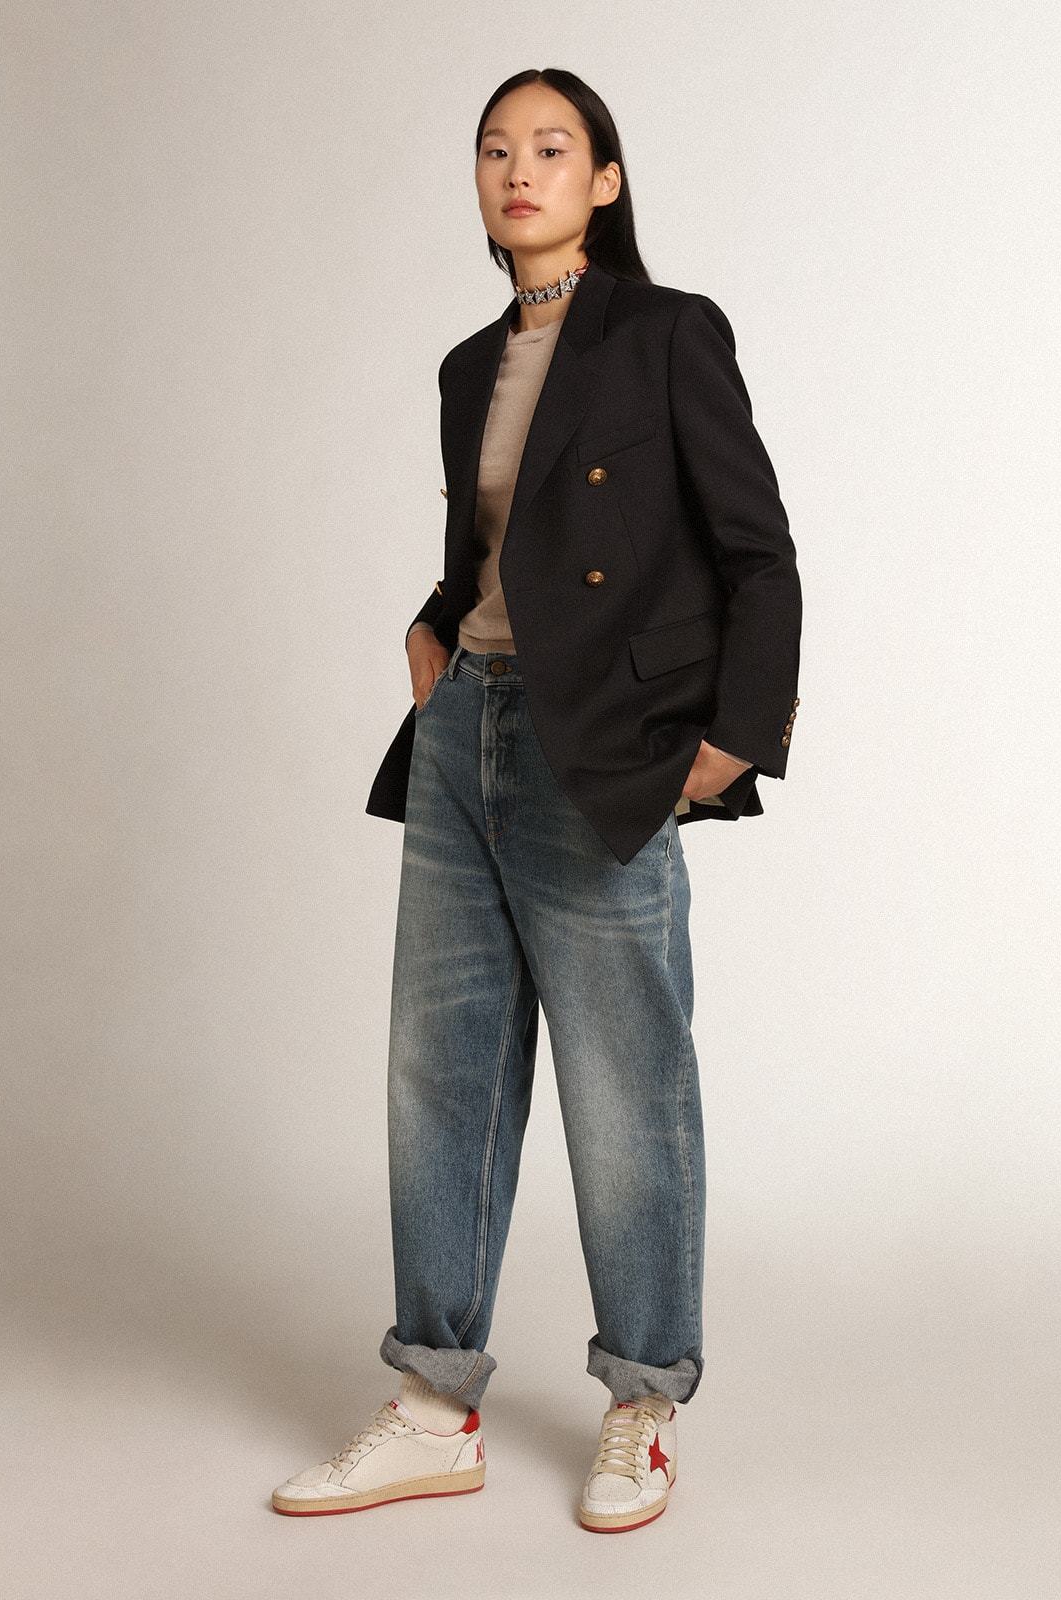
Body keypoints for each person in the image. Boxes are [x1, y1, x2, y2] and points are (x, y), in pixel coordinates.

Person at [272, 66, 801, 1533]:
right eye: (496, 149)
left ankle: (643, 1401)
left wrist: (736, 734)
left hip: (603, 745)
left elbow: (758, 550)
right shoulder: (468, 366)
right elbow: (494, 555)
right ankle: (434, 1403)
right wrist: (433, 635)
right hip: (467, 736)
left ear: (604, 180)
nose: (520, 170)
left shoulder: (668, 333)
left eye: (553, 148)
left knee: (627, 1080)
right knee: (439, 1071)